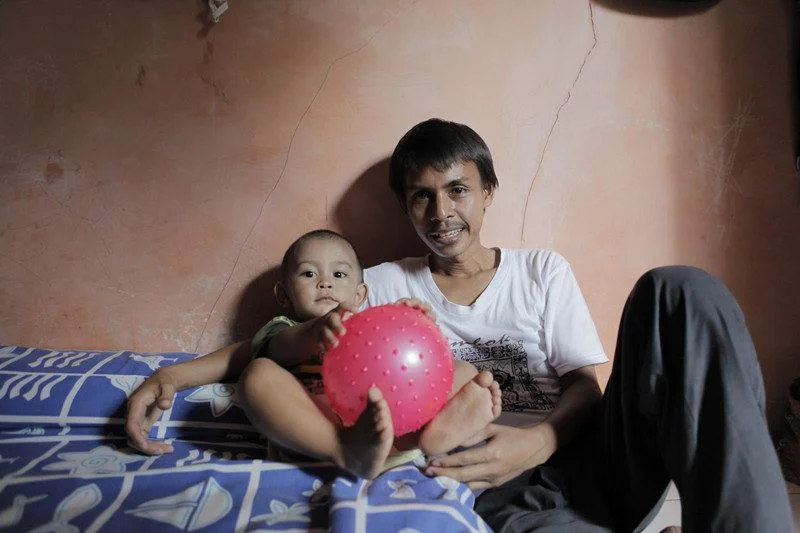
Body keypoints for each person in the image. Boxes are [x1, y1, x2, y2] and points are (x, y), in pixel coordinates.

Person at [360, 118, 795, 531]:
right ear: (405, 205)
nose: (441, 212)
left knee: (679, 290)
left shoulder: (540, 271)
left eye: (458, 190)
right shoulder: (380, 286)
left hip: (585, 459)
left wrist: (540, 441)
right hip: (489, 492)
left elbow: (584, 387)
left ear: (488, 191)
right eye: (422, 196)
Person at [125, 228, 501, 480]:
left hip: (393, 435)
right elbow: (255, 352)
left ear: (360, 295)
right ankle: (344, 449)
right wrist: (168, 376)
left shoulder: (371, 326)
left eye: (339, 275)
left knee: (462, 369)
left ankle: (432, 436)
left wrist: (414, 324)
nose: (324, 282)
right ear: (284, 295)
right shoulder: (284, 329)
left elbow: (414, 370)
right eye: (308, 274)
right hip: (321, 442)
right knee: (257, 374)